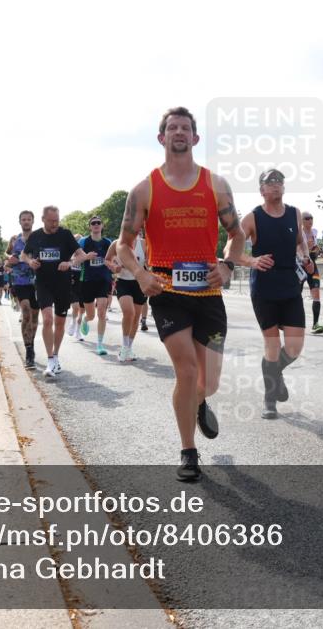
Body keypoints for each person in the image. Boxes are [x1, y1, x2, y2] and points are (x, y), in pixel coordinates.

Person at [116, 106, 245, 482]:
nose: (178, 132)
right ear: (161, 138)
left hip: (208, 292)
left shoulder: (216, 185)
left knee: (210, 381)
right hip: (167, 290)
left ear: (195, 138)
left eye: (185, 128)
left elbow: (237, 235)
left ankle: (200, 401)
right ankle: (189, 451)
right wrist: (140, 275)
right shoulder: (144, 190)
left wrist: (227, 266)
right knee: (186, 371)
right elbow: (124, 245)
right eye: (172, 127)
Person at [237, 169, 313, 419]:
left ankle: (274, 374)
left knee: (294, 347)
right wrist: (252, 261)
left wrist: (305, 255)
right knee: (272, 345)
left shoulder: (294, 213)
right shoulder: (252, 217)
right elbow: (232, 248)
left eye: (280, 181)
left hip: (290, 284)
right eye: (270, 182)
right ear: (261, 189)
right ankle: (270, 400)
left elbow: (301, 242)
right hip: (264, 288)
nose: (276, 185)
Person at [22, 206, 97, 378]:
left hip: (63, 284)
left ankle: (56, 356)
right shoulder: (36, 236)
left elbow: (82, 255)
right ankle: (49, 360)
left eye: (57, 220)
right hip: (43, 283)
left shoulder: (65, 234)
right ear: (43, 219)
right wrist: (30, 262)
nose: (55, 224)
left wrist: (70, 263)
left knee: (60, 323)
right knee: (47, 320)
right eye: (51, 221)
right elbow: (23, 255)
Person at [105, 228, 148, 362]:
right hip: (123, 282)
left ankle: (129, 347)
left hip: (139, 283)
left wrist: (148, 267)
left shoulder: (144, 244)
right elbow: (107, 260)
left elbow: (150, 262)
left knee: (136, 317)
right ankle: (124, 347)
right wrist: (113, 267)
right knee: (129, 313)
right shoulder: (116, 243)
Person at [5, 210, 39, 368]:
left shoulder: (39, 238)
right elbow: (7, 264)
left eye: (29, 219)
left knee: (34, 316)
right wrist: (10, 262)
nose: (26, 222)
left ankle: (31, 344)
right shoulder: (14, 241)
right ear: (20, 222)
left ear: (33, 221)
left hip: (38, 282)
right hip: (20, 281)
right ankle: (29, 351)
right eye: (23, 219)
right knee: (25, 312)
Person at [77, 216, 114, 355]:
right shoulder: (84, 241)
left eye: (99, 223)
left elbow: (112, 259)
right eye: (93, 223)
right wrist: (86, 257)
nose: (96, 225)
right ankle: (85, 320)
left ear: (102, 225)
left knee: (102, 313)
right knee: (91, 315)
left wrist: (112, 265)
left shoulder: (107, 242)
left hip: (103, 280)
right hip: (87, 281)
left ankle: (99, 344)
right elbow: (75, 259)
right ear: (90, 227)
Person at [300, 211, 323, 334]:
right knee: (296, 296)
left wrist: (319, 251)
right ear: (301, 221)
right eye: (307, 218)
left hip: (312, 266)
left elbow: (315, 248)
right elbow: (296, 250)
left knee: (316, 295)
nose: (310, 220)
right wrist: (307, 251)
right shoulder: (298, 233)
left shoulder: (314, 232)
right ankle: (295, 322)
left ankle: (315, 324)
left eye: (311, 218)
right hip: (300, 267)